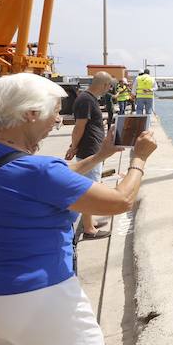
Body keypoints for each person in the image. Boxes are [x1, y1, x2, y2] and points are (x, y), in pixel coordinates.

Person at [0, 72, 157, 345]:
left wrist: (100, 154)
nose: (59, 119)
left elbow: (56, 178)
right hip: (30, 295)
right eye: (55, 110)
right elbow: (120, 201)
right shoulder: (40, 171)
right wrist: (139, 159)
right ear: (31, 114)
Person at [66, 71, 113, 238]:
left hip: (93, 148)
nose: (109, 90)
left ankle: (90, 221)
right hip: (89, 149)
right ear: (105, 85)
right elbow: (79, 126)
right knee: (89, 188)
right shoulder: (86, 100)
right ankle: (88, 229)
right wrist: (74, 147)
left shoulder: (88, 99)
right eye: (109, 86)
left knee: (92, 183)